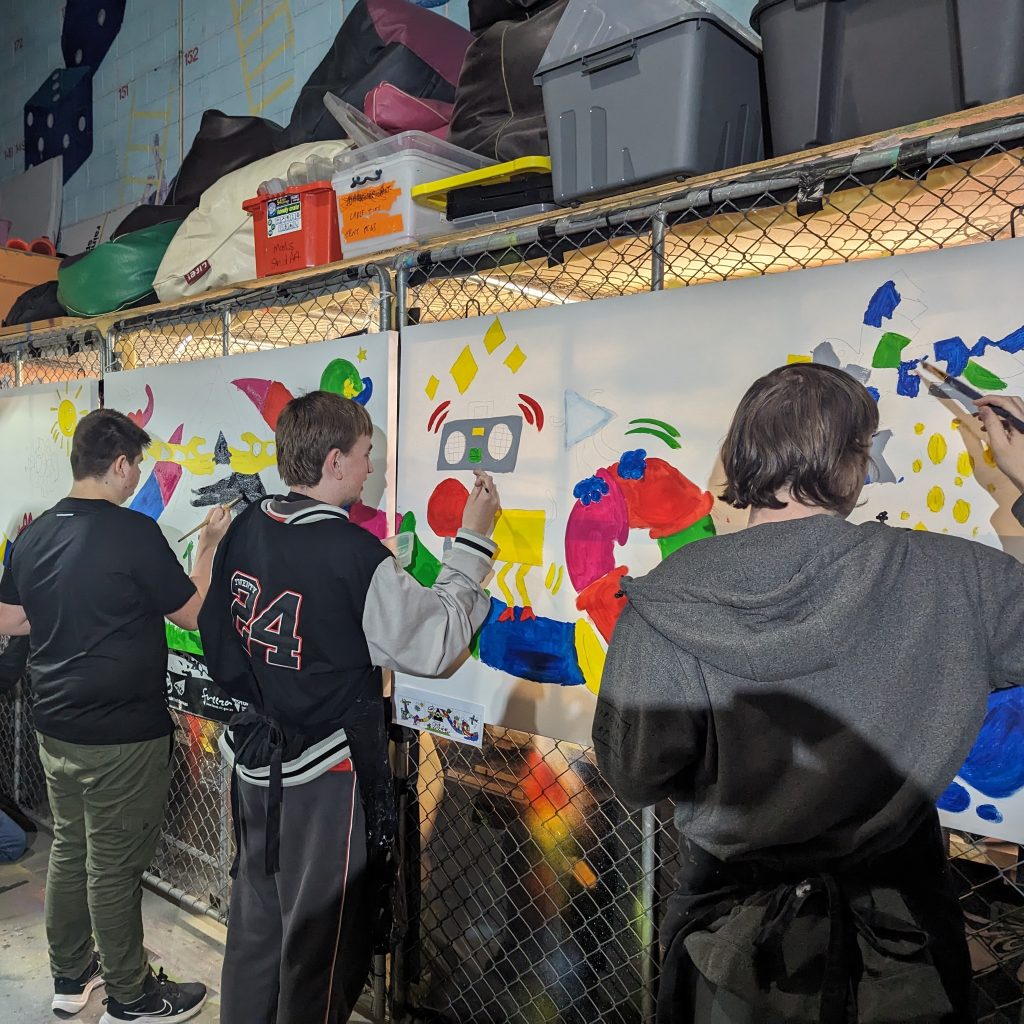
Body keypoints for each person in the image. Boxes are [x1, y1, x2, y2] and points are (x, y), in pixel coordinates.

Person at [593, 364, 1024, 1024]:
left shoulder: (670, 594)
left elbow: (634, 774)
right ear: (855, 462)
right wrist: (1016, 495)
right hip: (906, 952)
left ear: (739, 455)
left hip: (731, 955)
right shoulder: (953, 577)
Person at [197, 390, 501, 1024]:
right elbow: (437, 640)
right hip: (324, 778)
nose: (372, 470)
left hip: (253, 764)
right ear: (335, 462)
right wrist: (472, 540)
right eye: (366, 456)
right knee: (322, 949)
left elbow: (220, 636)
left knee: (256, 933)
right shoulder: (355, 559)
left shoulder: (246, 526)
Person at [0, 408, 230, 1023]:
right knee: (114, 866)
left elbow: (10, 620)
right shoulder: (133, 534)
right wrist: (207, 545)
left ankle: (71, 977)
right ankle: (131, 996)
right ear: (121, 464)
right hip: (122, 736)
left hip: (56, 726)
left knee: (72, 848)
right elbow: (192, 614)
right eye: (137, 469)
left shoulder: (35, 534)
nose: (137, 482)